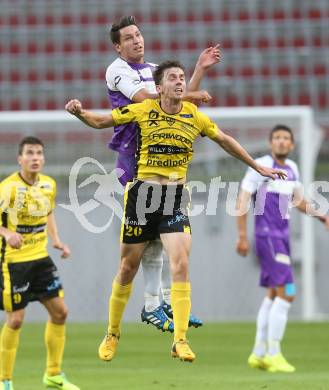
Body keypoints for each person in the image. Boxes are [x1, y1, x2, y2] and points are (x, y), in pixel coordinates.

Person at [66, 60, 286, 362]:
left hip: (174, 198)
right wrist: (80, 113)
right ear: (160, 87)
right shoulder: (144, 110)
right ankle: (112, 332)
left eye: (183, 78)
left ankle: (179, 339)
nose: (180, 82)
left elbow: (225, 140)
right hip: (142, 197)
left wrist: (257, 165)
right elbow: (103, 121)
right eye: (173, 78)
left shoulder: (194, 116)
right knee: (127, 269)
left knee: (180, 264)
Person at [104, 15, 220, 332]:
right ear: (118, 46)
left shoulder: (152, 68)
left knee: (162, 237)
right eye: (128, 38)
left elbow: (178, 103)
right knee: (147, 241)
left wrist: (198, 70)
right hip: (134, 157)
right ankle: (154, 304)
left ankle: (161, 302)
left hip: (160, 155)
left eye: (138, 34)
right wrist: (191, 94)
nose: (136, 40)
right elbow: (147, 99)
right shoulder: (117, 71)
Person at [236, 125, 329, 373]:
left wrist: (321, 215)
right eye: (276, 137)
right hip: (268, 237)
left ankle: (258, 353)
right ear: (270, 143)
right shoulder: (260, 166)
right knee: (288, 292)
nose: (281, 142)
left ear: (292, 145)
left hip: (282, 237)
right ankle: (274, 353)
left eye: (286, 138)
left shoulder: (292, 169)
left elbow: (298, 200)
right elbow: (243, 199)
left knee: (273, 295)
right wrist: (242, 236)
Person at [0, 137, 80, 390]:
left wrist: (57, 240)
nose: (35, 158)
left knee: (60, 312)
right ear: (19, 159)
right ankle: (5, 381)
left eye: (39, 153)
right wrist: (7, 234)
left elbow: (48, 212)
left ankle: (53, 375)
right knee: (16, 320)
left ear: (43, 159)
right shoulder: (8, 188)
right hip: (13, 262)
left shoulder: (48, 184)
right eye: (30, 153)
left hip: (40, 258)